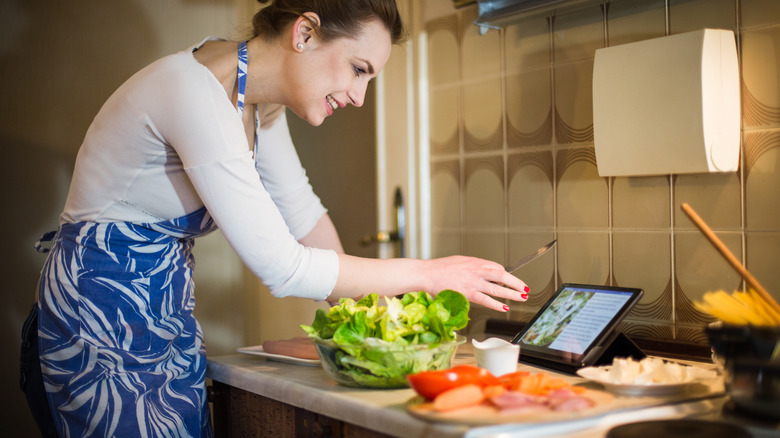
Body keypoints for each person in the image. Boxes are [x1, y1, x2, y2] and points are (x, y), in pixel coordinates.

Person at [21, 0, 531, 436]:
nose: (359, 96)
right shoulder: (192, 90)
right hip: (99, 321)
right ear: (304, 33)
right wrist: (430, 273)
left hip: (163, 317)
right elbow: (280, 265)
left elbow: (303, 214)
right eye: (358, 69)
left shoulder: (255, 101)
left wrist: (387, 328)